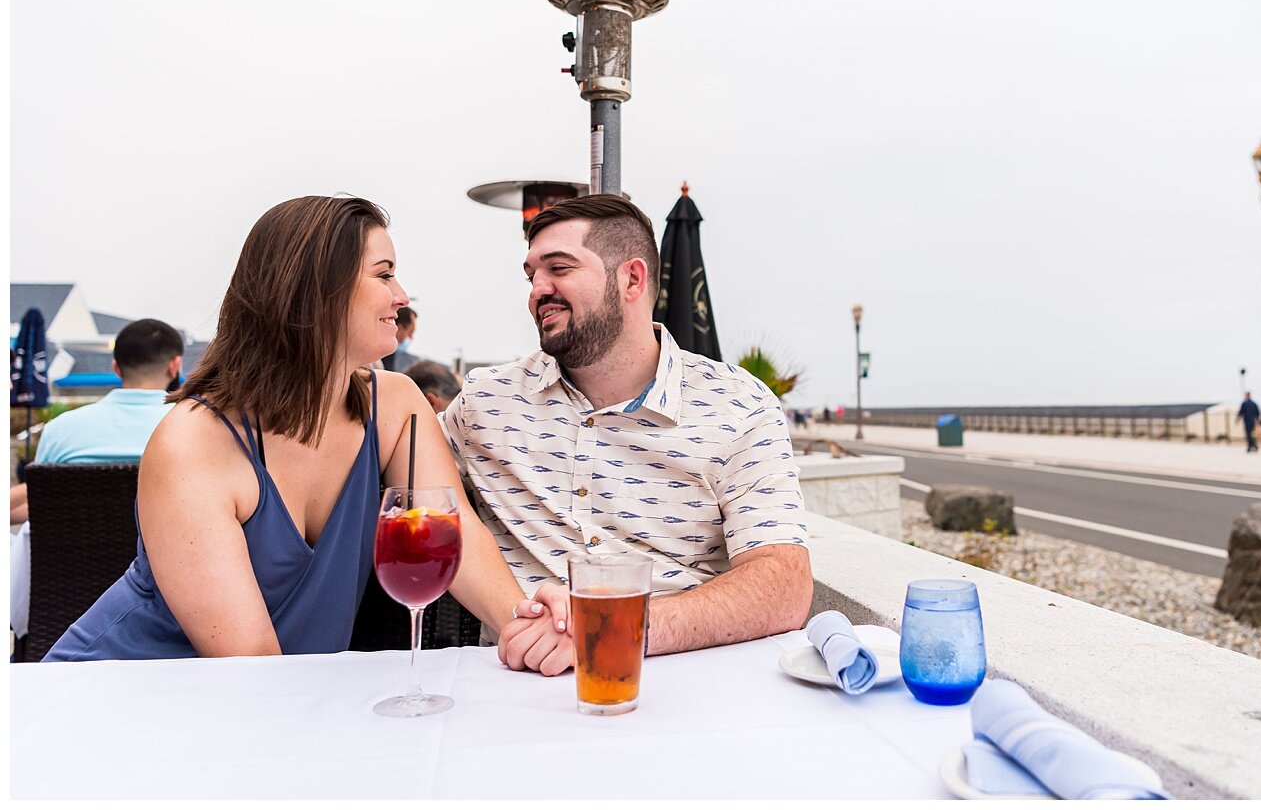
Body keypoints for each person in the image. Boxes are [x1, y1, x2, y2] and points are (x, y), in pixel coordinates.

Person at [45, 195, 558, 661]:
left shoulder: (395, 406)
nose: (401, 296)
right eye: (383, 275)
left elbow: (452, 531)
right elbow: (249, 661)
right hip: (117, 702)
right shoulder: (195, 442)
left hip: (279, 705)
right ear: (319, 293)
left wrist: (523, 626)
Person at [442, 194, 812, 676]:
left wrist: (616, 628)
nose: (537, 289)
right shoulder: (485, 402)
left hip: (681, 680)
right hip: (517, 684)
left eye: (559, 268)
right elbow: (405, 489)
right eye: (531, 274)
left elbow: (783, 584)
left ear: (632, 279)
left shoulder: (739, 404)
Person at [12, 318, 184, 641]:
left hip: (66, 616)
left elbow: (38, 508)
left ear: (116, 367)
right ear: (175, 365)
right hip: (171, 616)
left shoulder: (62, 430)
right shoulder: (195, 430)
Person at [380, 305, 418, 373]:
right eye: (410, 332)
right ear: (399, 329)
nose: (411, 337)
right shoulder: (379, 355)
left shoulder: (390, 354)